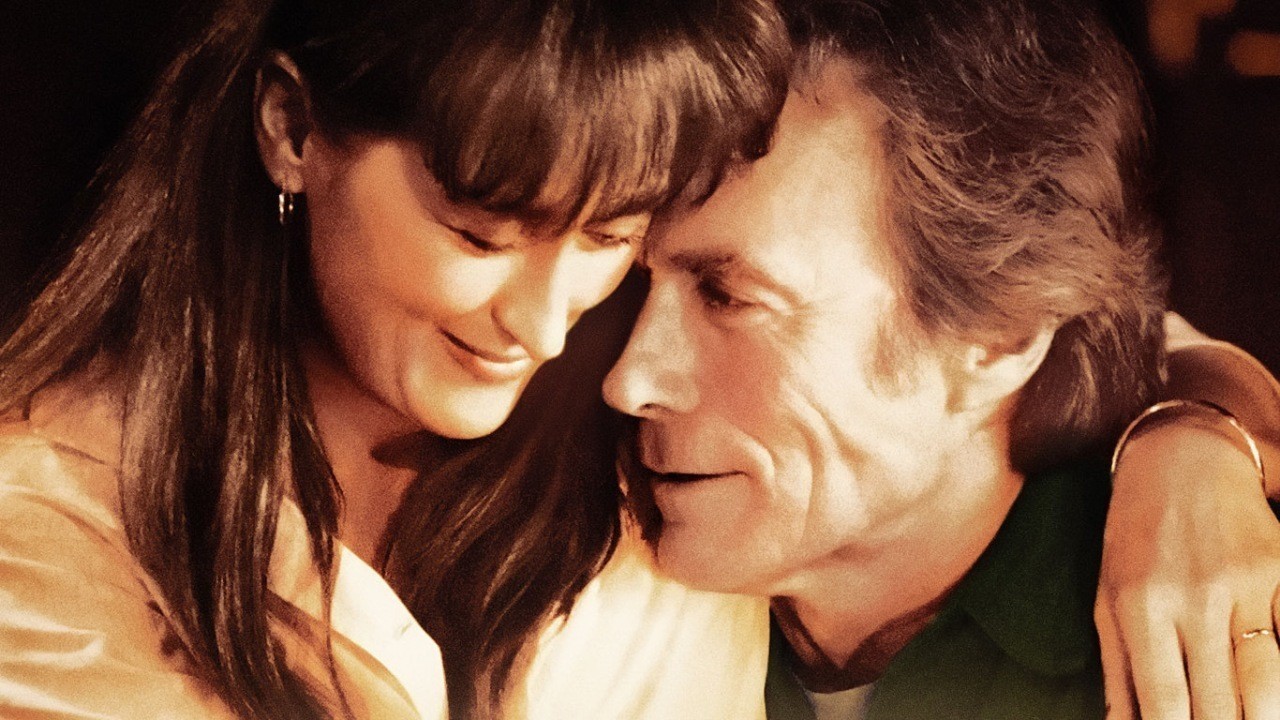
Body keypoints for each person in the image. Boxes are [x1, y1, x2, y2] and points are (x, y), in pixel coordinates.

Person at [0, 0, 791, 717]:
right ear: (292, 129)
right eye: (482, 235)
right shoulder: (49, 525)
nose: (544, 330)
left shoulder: (638, 505)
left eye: (610, 236)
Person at [599, 0, 1280, 717]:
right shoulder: (585, 543)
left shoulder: (1228, 649)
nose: (629, 379)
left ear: (1001, 336)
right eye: (626, 276)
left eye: (728, 296)